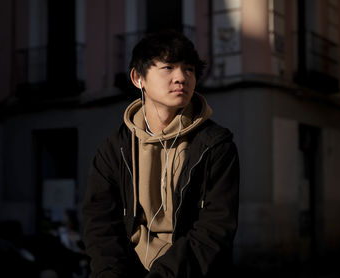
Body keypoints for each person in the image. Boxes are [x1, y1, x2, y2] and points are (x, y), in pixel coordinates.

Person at [82, 30, 239, 278]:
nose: (181, 78)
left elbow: (214, 229)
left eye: (189, 69)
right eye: (168, 67)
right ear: (137, 78)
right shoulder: (114, 149)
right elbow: (100, 225)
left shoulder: (215, 145)